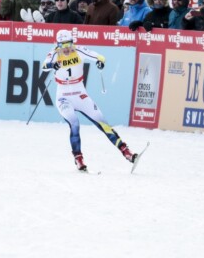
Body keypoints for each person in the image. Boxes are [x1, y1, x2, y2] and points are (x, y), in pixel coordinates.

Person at [42, 29, 138, 172]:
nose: (66, 48)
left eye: (68, 44)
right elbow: (44, 66)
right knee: (74, 123)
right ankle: (78, 159)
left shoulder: (79, 50)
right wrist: (52, 65)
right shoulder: (54, 54)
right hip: (63, 97)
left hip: (80, 95)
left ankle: (126, 152)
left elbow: (100, 57)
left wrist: (100, 63)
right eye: (62, 45)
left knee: (102, 122)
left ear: (72, 43)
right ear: (57, 45)